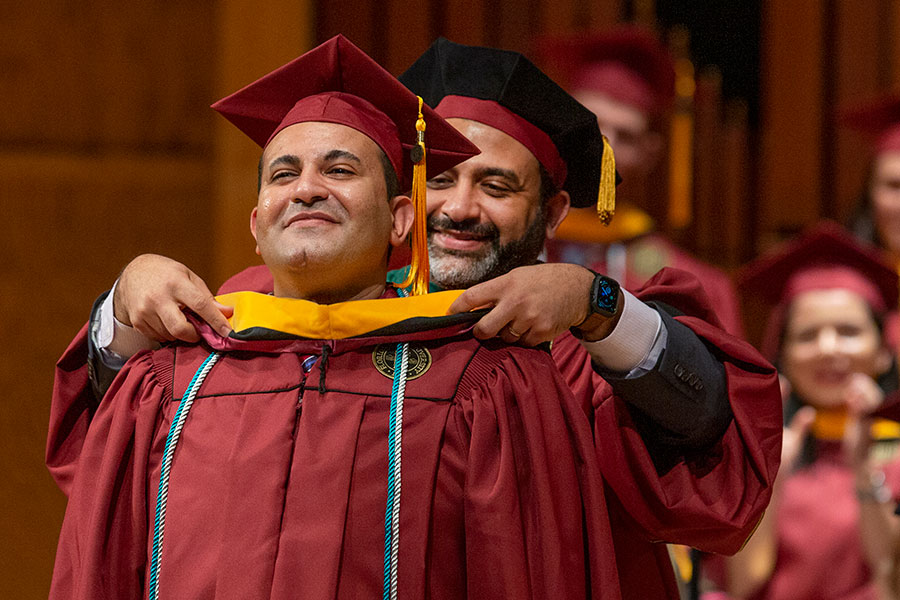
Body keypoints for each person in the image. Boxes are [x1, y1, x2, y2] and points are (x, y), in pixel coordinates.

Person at [48, 37, 783, 599]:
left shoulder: (566, 343)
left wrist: (598, 308)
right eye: (444, 179)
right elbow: (120, 453)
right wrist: (119, 310)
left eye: (496, 185)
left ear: (552, 212)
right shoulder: (277, 311)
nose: (460, 209)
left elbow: (713, 436)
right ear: (404, 199)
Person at [715, 222, 900, 600]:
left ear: (883, 351)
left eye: (848, 331)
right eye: (806, 335)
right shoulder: (754, 449)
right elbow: (744, 583)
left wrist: (864, 470)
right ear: (782, 354)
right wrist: (772, 475)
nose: (828, 348)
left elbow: (892, 579)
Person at [536, 26, 744, 337]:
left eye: (627, 136)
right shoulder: (509, 246)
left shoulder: (685, 284)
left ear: (649, 154)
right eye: (591, 124)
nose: (605, 146)